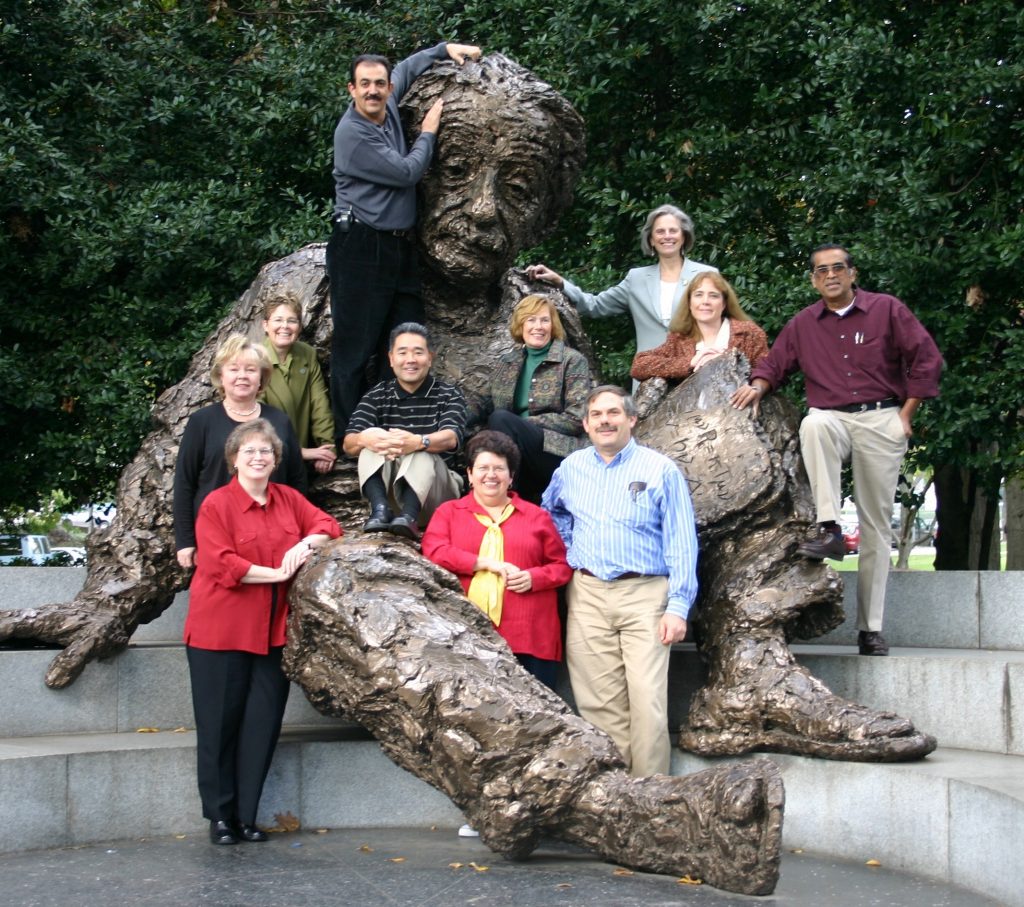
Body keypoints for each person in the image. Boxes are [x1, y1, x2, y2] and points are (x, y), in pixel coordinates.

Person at [730, 244, 943, 656]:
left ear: (852, 273)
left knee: (877, 526)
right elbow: (775, 365)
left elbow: (927, 358)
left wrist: (907, 413)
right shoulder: (803, 324)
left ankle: (871, 628)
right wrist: (757, 386)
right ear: (813, 279)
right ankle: (829, 527)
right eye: (821, 270)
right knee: (815, 422)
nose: (830, 275)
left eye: (838, 268)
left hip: (882, 416)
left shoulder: (887, 310)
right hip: (833, 417)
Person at [185, 419, 340, 845]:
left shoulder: (289, 498)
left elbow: (329, 527)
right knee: (219, 728)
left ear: (276, 460)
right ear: (234, 460)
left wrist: (304, 545)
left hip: (273, 634)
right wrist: (275, 574)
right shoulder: (216, 505)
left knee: (261, 726)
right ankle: (219, 818)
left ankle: (246, 816)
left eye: (266, 452)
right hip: (221, 632)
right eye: (250, 452)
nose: (259, 458)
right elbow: (220, 564)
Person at [327, 40, 481, 439]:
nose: (373, 90)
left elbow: (409, 66)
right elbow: (407, 171)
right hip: (361, 246)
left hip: (398, 245)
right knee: (354, 350)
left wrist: (446, 48)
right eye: (364, 84)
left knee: (404, 337)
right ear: (351, 89)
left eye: (379, 83)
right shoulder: (353, 134)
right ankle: (351, 438)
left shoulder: (388, 101)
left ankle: (398, 429)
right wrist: (429, 132)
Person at [543, 386, 698, 776]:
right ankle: (615, 795)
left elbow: (682, 541)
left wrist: (679, 606)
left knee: (647, 700)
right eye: (596, 414)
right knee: (599, 703)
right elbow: (551, 514)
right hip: (588, 594)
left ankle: (651, 796)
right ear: (585, 424)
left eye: (613, 413)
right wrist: (570, 548)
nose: (604, 421)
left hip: (645, 595)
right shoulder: (571, 468)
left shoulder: (659, 470)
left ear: (631, 419)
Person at [422, 430, 572, 689]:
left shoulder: (536, 517)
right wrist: (483, 563)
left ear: (511, 476)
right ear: (469, 474)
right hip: (467, 635)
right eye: (482, 467)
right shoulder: (449, 512)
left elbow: (561, 567)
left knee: (536, 722)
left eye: (499, 468)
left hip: (530, 635)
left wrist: (533, 577)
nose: (490, 475)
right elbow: (434, 550)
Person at [173, 335, 306, 570]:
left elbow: (297, 482)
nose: (242, 376)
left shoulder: (280, 421)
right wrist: (185, 541)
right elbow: (185, 483)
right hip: (215, 536)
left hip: (273, 537)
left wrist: (300, 536)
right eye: (234, 369)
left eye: (251, 370)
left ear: (261, 378)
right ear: (221, 376)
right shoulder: (201, 421)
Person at [526, 205, 717, 359]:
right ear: (651, 239)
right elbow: (594, 306)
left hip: (698, 368)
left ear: (683, 237)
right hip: (649, 376)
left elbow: (725, 325)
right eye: (660, 231)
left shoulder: (707, 275)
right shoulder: (636, 279)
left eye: (673, 230)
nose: (667, 236)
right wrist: (560, 282)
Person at [343, 322, 466, 539]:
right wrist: (366, 438)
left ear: (430, 357)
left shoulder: (449, 395)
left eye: (418, 352)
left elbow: (450, 438)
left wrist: (418, 442)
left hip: (436, 497)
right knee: (369, 442)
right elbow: (349, 443)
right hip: (393, 497)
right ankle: (380, 510)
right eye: (402, 353)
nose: (410, 360)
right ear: (391, 358)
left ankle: (410, 517)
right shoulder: (377, 395)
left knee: (421, 451)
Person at [470, 295, 591, 500]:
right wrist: (449, 425)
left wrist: (524, 424)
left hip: (556, 453)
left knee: (501, 420)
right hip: (515, 451)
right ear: (520, 324)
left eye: (545, 320)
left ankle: (501, 499)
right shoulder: (506, 362)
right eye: (531, 320)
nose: (538, 326)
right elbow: (481, 402)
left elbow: (578, 418)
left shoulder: (572, 360)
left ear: (553, 325)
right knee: (486, 431)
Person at [630, 271, 769, 381]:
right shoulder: (680, 338)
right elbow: (639, 366)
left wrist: (731, 364)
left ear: (724, 304)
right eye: (698, 295)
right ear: (689, 303)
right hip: (691, 414)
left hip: (739, 411)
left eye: (713, 296)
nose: (705, 301)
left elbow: (765, 374)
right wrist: (690, 362)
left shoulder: (749, 334)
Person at [258, 296, 337, 474]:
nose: (284, 326)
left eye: (292, 321)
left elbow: (319, 404)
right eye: (278, 320)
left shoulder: (307, 354)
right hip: (263, 461)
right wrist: (302, 452)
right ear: (265, 325)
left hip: (297, 464)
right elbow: (257, 419)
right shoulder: (254, 359)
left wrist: (327, 446)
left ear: (300, 327)